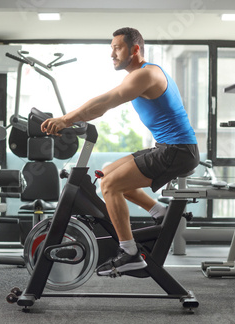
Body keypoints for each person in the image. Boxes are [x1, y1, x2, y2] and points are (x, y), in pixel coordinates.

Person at [40, 27, 199, 276]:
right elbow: (104, 103)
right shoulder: (141, 74)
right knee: (107, 174)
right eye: (111, 49)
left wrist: (66, 119)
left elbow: (105, 102)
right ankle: (161, 213)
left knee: (111, 186)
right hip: (169, 147)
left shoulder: (145, 75)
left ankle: (129, 253)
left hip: (177, 151)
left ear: (135, 49)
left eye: (117, 48)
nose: (112, 54)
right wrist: (71, 119)